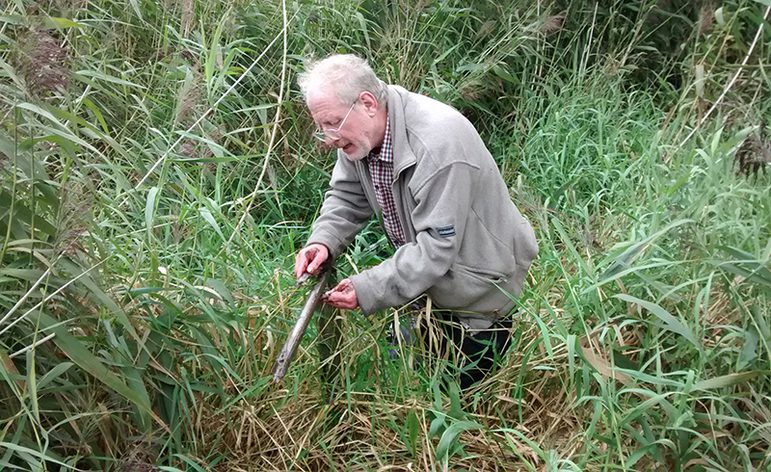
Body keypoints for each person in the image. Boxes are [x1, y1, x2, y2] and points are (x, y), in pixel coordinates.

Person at [293, 54, 538, 389]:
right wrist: (323, 240)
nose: (328, 137)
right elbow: (347, 196)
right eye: (320, 127)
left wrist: (368, 288)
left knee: (459, 405)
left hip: (478, 295)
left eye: (332, 123)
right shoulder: (359, 136)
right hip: (424, 287)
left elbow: (437, 245)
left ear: (366, 102)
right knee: (411, 382)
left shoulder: (438, 145)